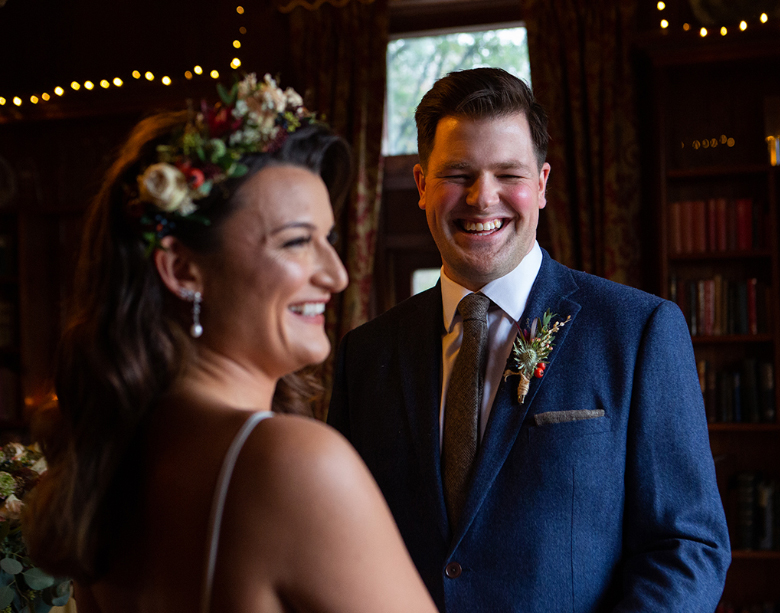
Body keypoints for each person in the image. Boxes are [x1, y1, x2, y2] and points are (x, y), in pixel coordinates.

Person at [23, 74, 438, 613]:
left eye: (328, 240)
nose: (336, 275)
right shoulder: (291, 463)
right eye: (296, 241)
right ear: (182, 268)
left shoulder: (114, 464)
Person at [328, 67, 731, 612]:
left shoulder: (638, 332)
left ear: (541, 185)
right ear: (422, 186)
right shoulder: (367, 354)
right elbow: (341, 544)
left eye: (507, 174)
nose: (481, 197)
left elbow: (687, 545)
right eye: (457, 174)